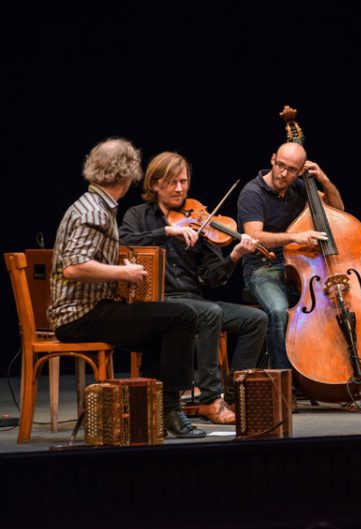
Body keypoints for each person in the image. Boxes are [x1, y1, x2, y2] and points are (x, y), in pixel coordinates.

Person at [48, 138, 205, 438]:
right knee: (182, 317)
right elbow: (75, 267)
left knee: (166, 327)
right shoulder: (93, 212)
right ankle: (170, 409)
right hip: (82, 316)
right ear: (128, 173)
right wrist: (124, 272)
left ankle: (146, 407)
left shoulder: (94, 204)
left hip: (89, 311)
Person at [119, 151, 269, 424]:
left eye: (184, 181)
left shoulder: (199, 219)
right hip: (158, 301)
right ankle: (210, 400)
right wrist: (167, 232)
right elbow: (123, 241)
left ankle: (234, 397)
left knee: (256, 319)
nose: (179, 188)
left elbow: (212, 278)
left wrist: (234, 256)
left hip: (192, 299)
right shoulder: (137, 215)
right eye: (172, 182)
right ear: (154, 184)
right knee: (209, 313)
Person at [237, 142, 344, 373]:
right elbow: (255, 236)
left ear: (300, 171)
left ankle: (328, 374)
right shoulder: (252, 193)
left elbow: (338, 211)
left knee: (339, 300)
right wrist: (296, 237)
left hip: (301, 265)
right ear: (272, 159)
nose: (283, 174)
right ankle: (284, 383)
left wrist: (324, 179)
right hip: (263, 268)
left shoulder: (299, 187)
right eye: (280, 166)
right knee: (278, 311)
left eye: (291, 170)